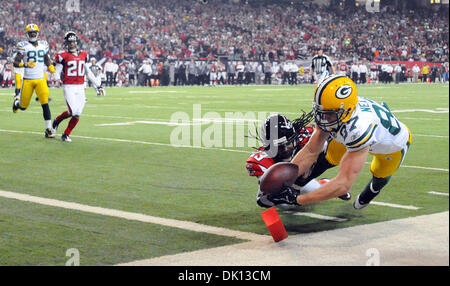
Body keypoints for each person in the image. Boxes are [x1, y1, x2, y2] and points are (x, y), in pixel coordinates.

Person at [266, 75, 412, 210]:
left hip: (394, 147)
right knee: (330, 156)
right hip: (351, 128)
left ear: (347, 110)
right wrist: (287, 176)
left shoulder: (359, 128)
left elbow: (343, 184)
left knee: (380, 175)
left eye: (329, 114)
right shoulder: (338, 112)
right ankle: (303, 180)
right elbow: (311, 151)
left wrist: (297, 199)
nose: (323, 118)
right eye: (320, 111)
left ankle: (372, 190)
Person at [246, 112, 351, 208]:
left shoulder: (304, 136)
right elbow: (263, 200)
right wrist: (285, 195)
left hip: (303, 175)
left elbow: (324, 136)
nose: (286, 148)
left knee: (323, 146)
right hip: (284, 183)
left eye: (288, 142)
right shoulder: (261, 159)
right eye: (279, 146)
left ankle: (324, 184)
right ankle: (320, 185)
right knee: (283, 205)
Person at [51, 31, 104, 142]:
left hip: (80, 87)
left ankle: (65, 132)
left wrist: (98, 85)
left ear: (76, 42)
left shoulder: (84, 55)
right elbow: (57, 71)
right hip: (69, 86)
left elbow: (88, 72)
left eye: (73, 42)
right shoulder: (62, 56)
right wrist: (57, 79)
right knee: (73, 111)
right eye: (69, 42)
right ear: (66, 43)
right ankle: (58, 124)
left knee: (76, 113)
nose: (71, 44)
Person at [12, 24, 57, 138]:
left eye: (34, 32)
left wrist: (50, 66)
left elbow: (46, 58)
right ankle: (17, 103)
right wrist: (25, 64)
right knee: (23, 106)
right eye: (30, 33)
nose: (32, 34)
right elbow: (15, 62)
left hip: (40, 79)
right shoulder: (23, 46)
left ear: (37, 33)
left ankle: (48, 129)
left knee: (45, 103)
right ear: (27, 34)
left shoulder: (43, 45)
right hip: (28, 80)